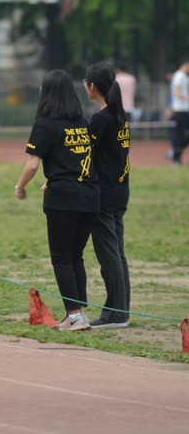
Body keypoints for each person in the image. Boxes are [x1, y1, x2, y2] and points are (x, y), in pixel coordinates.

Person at [14, 69, 100, 332]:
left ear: (47, 94)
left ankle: (74, 315)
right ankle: (79, 314)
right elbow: (79, 158)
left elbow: (32, 164)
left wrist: (20, 187)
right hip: (89, 194)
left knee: (62, 258)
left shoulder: (44, 123)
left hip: (64, 198)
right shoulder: (81, 121)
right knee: (76, 257)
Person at [83, 62, 131, 329]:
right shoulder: (119, 115)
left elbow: (87, 156)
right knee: (118, 253)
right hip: (121, 191)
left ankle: (114, 314)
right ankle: (122, 310)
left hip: (104, 194)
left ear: (92, 86)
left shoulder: (101, 119)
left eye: (86, 81)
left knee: (109, 255)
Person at [170, 59, 189, 165]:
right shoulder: (179, 75)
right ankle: (176, 157)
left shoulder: (184, 76)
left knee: (182, 135)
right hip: (180, 109)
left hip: (185, 109)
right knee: (180, 135)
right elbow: (177, 92)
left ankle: (176, 155)